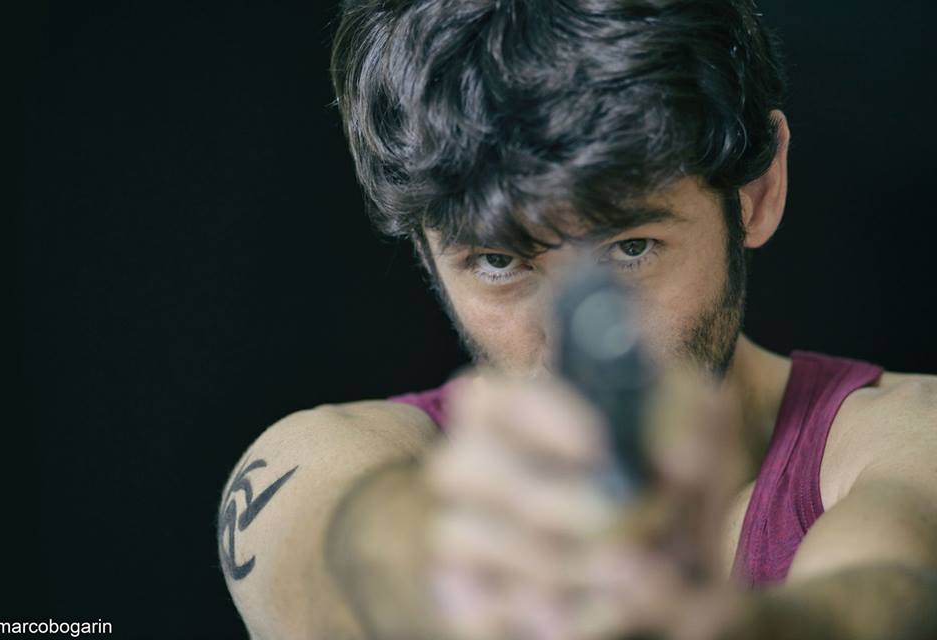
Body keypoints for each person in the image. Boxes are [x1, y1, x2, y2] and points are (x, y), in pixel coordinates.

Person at [216, 1, 937, 638]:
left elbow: (894, 586)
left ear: (756, 191)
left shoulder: (906, 439)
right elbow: (340, 555)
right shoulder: (312, 466)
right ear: (426, 253)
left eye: (631, 247)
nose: (568, 344)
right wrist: (469, 568)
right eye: (498, 261)